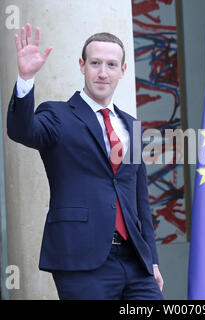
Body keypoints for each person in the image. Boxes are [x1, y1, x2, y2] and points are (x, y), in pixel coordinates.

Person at [7, 24, 164, 300]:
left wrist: (151, 259)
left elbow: (141, 202)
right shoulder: (57, 115)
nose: (103, 72)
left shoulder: (133, 126)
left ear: (123, 71)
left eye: (111, 65)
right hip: (82, 261)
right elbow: (22, 130)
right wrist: (25, 79)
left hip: (135, 262)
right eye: (95, 63)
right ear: (82, 66)